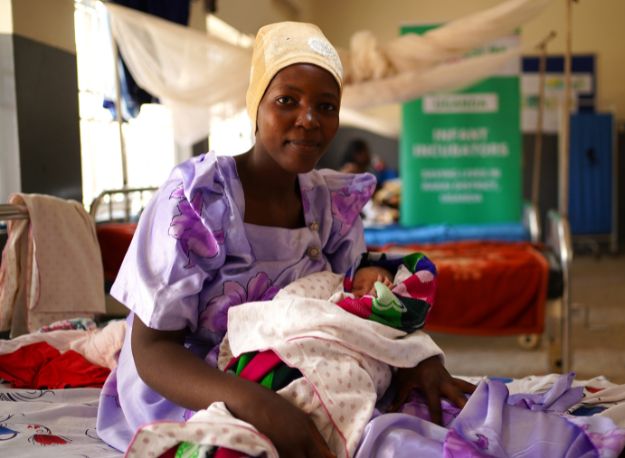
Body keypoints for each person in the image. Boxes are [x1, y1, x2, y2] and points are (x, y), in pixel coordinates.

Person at [96, 21, 474, 458]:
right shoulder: (197, 202)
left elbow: (353, 312)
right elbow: (153, 350)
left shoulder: (331, 206)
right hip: (194, 385)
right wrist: (263, 408)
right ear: (255, 105)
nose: (309, 119)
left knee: (427, 426)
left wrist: (418, 359)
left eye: (326, 106)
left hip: (294, 369)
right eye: (286, 100)